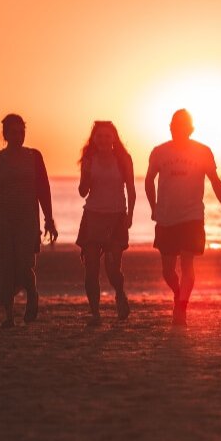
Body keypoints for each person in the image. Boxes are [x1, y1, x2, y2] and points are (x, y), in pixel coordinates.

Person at [145, 109, 221, 326]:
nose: (177, 130)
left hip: (192, 216)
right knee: (168, 271)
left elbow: (215, 181)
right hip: (166, 218)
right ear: (170, 128)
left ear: (191, 129)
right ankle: (178, 294)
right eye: (174, 126)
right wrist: (154, 207)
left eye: (182, 126)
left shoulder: (203, 152)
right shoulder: (159, 152)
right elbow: (149, 180)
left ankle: (182, 306)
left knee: (187, 265)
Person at [0, 114, 58, 328]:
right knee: (4, 266)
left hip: (27, 218)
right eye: (14, 132)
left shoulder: (34, 157)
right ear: (5, 135)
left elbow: (43, 189)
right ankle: (9, 316)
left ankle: (32, 293)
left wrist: (49, 219)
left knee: (24, 264)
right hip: (1, 218)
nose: (19, 136)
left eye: (22, 131)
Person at [76, 121, 136, 326]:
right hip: (93, 216)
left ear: (114, 139)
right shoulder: (89, 159)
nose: (103, 140)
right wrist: (86, 174)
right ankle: (95, 314)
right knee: (91, 267)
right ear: (94, 139)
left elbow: (131, 189)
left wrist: (130, 215)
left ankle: (120, 293)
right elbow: (82, 191)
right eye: (99, 136)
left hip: (116, 216)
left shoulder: (123, 159)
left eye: (107, 136)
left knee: (112, 267)